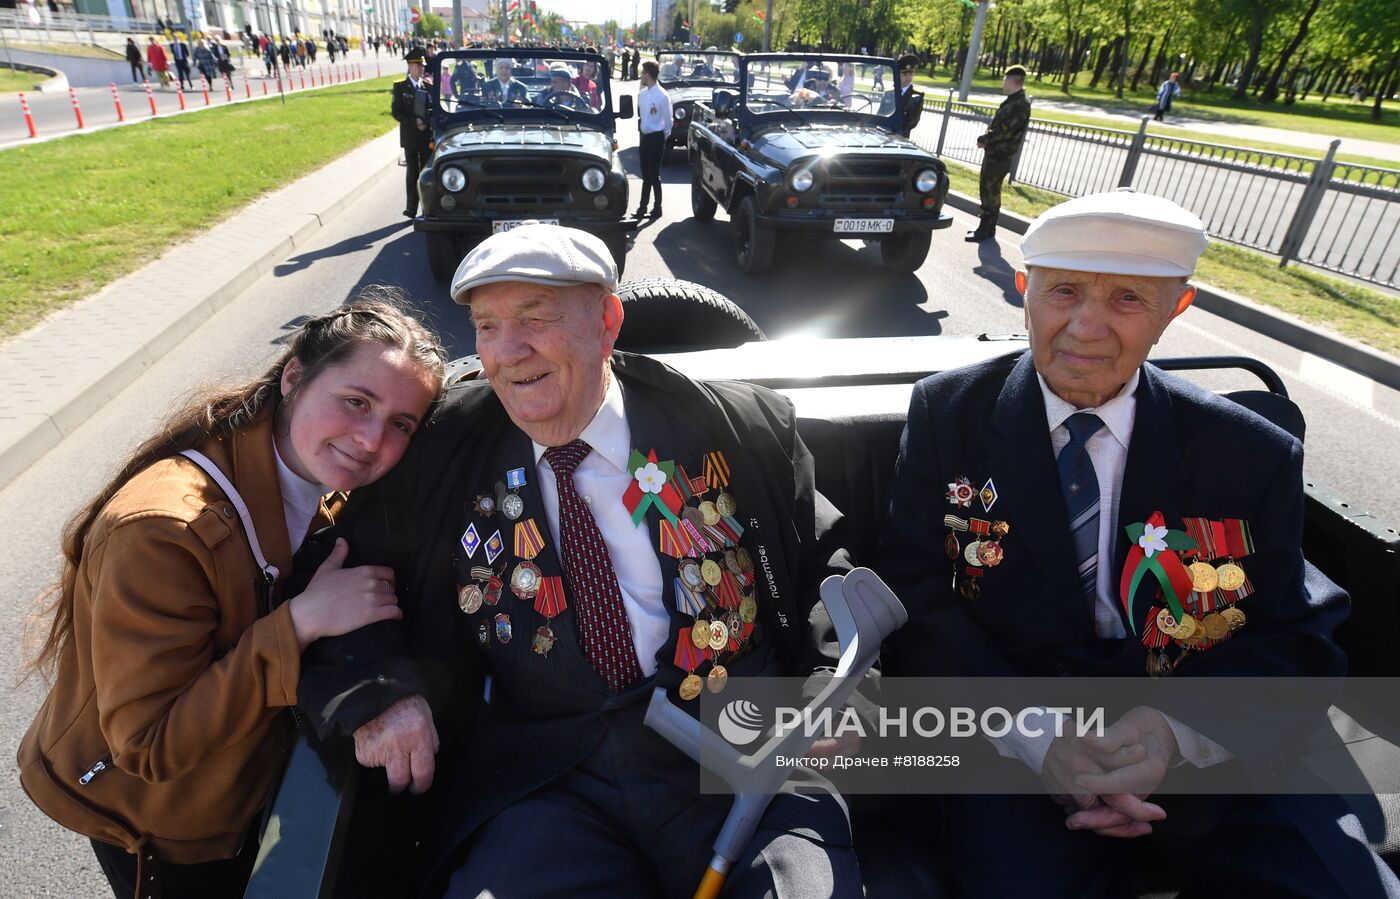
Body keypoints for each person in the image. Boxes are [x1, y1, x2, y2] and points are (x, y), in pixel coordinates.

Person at [296, 224, 863, 899]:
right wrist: (381, 691)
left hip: (742, 746)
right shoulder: (449, 444)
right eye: (486, 325)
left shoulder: (732, 425)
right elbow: (350, 568)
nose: (508, 353)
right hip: (552, 778)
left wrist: (833, 684)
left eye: (535, 318)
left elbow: (826, 559)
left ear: (607, 319)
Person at [880, 189, 1400, 899]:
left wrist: (1172, 734)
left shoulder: (1250, 453)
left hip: (1202, 746)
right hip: (1014, 744)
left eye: (1127, 299)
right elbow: (917, 597)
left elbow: (1293, 634)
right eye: (1063, 291)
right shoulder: (949, 415)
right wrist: (1039, 735)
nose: (1085, 327)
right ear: (1024, 291)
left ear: (1175, 309)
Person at [17, 297, 446, 899]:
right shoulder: (165, 531)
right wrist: (298, 623)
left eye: (401, 422)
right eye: (356, 401)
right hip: (159, 820)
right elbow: (149, 743)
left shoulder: (313, 475)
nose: (372, 439)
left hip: (240, 784)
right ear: (294, 376)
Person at [966, 63, 1031, 242]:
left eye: (1005, 79)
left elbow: (1005, 131)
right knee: (990, 192)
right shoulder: (1015, 100)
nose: (1003, 82)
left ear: (1012, 80)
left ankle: (985, 229)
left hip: (1000, 155)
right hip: (996, 154)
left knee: (989, 193)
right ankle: (988, 229)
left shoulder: (1019, 103)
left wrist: (985, 139)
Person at [392, 47, 434, 219]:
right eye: (418, 65)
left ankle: (427, 208)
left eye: (422, 65)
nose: (421, 68)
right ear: (410, 66)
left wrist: (426, 123)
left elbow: (433, 111)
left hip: (425, 137)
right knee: (412, 173)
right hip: (410, 137)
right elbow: (397, 112)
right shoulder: (400, 87)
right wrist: (413, 122)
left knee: (425, 174)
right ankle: (411, 208)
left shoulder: (429, 86)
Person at [635, 59, 671, 218]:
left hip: (656, 138)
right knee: (645, 173)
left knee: (653, 174)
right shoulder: (642, 94)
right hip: (644, 137)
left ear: (648, 75)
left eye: (643, 73)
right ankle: (646, 207)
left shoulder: (663, 96)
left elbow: (668, 121)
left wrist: (661, 137)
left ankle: (653, 207)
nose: (641, 76)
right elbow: (642, 116)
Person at [878, 54, 923, 138]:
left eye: (910, 74)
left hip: (902, 137)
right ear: (898, 75)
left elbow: (913, 121)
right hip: (883, 134)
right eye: (904, 74)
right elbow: (880, 113)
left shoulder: (916, 96)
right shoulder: (889, 93)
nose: (908, 77)